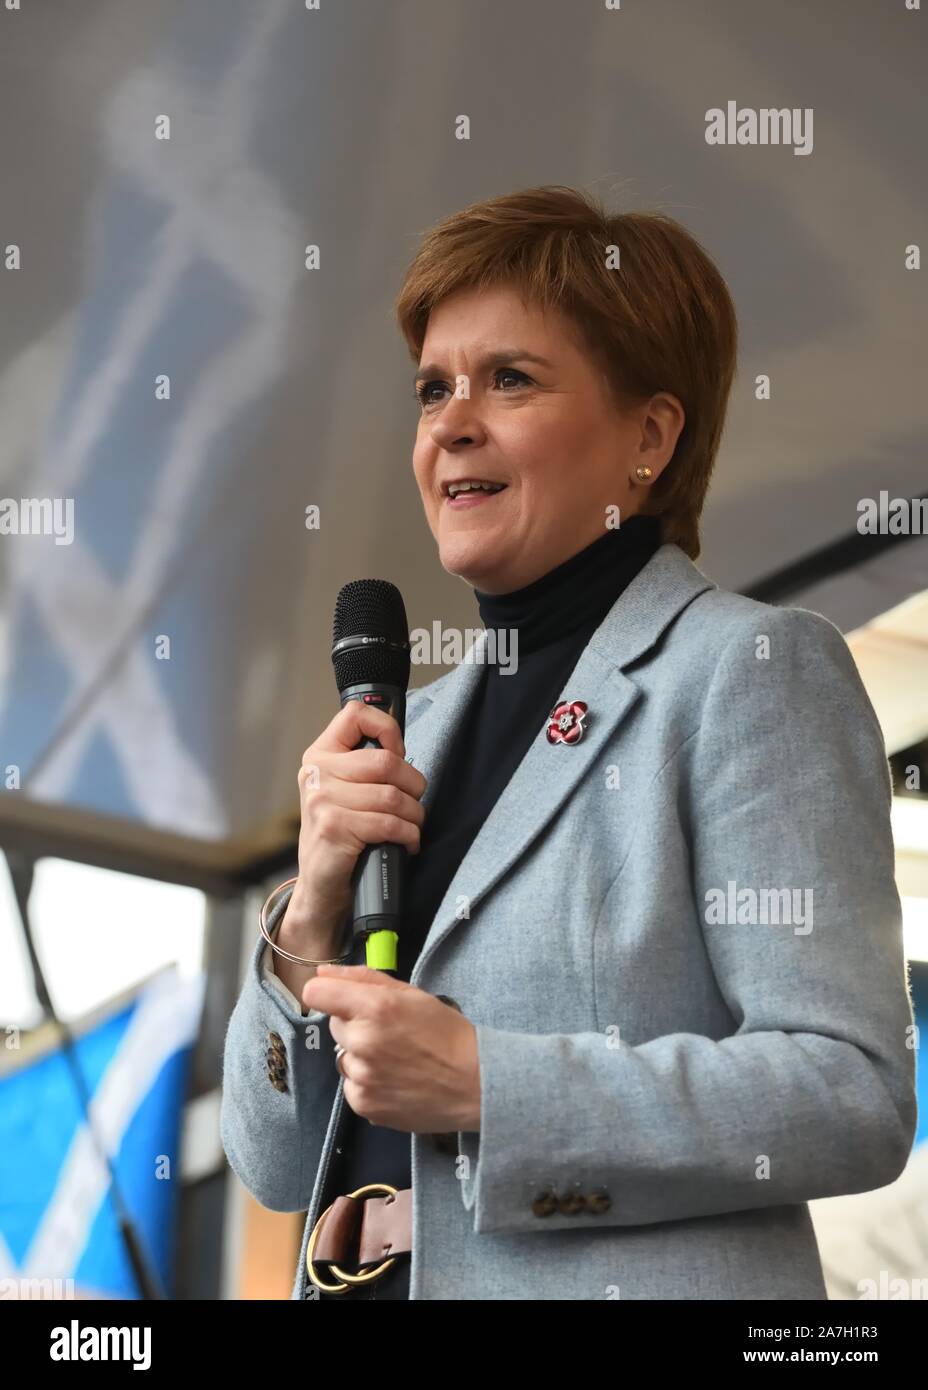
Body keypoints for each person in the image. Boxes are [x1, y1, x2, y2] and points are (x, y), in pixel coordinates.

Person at [220, 186, 917, 1301]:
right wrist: (307, 918)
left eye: (510, 378)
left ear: (648, 435)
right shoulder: (412, 730)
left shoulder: (746, 669)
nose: (451, 421)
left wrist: (491, 1084)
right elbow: (276, 1164)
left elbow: (851, 1094)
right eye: (432, 387)